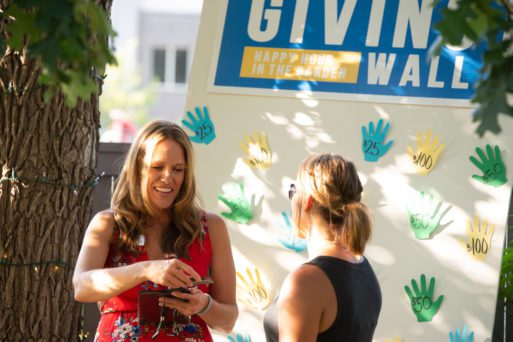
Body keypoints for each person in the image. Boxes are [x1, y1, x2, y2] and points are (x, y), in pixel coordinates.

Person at [73, 121, 238, 341]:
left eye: (178, 169)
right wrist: (146, 269)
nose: (168, 177)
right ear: (138, 168)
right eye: (157, 167)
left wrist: (203, 305)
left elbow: (228, 320)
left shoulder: (211, 227)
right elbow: (82, 287)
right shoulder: (109, 223)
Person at [263, 153, 382, 342]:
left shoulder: (306, 282)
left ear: (308, 201)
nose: (291, 201)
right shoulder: (363, 267)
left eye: (293, 191)